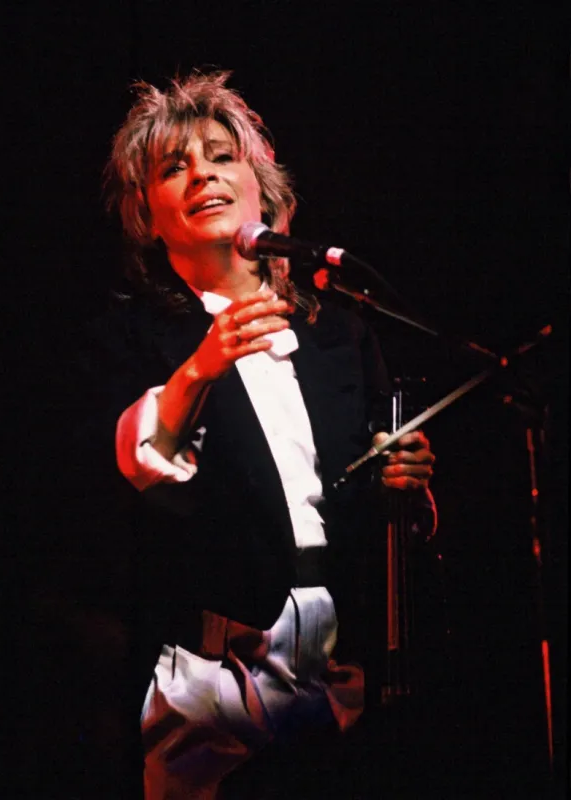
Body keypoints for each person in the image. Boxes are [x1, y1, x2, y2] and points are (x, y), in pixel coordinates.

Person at [92, 70, 436, 799]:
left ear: (264, 191)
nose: (202, 176)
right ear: (147, 215)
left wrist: (407, 484)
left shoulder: (339, 329)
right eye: (173, 167)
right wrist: (203, 365)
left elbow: (379, 494)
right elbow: (138, 469)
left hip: (342, 671)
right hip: (208, 679)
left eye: (221, 157)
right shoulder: (134, 335)